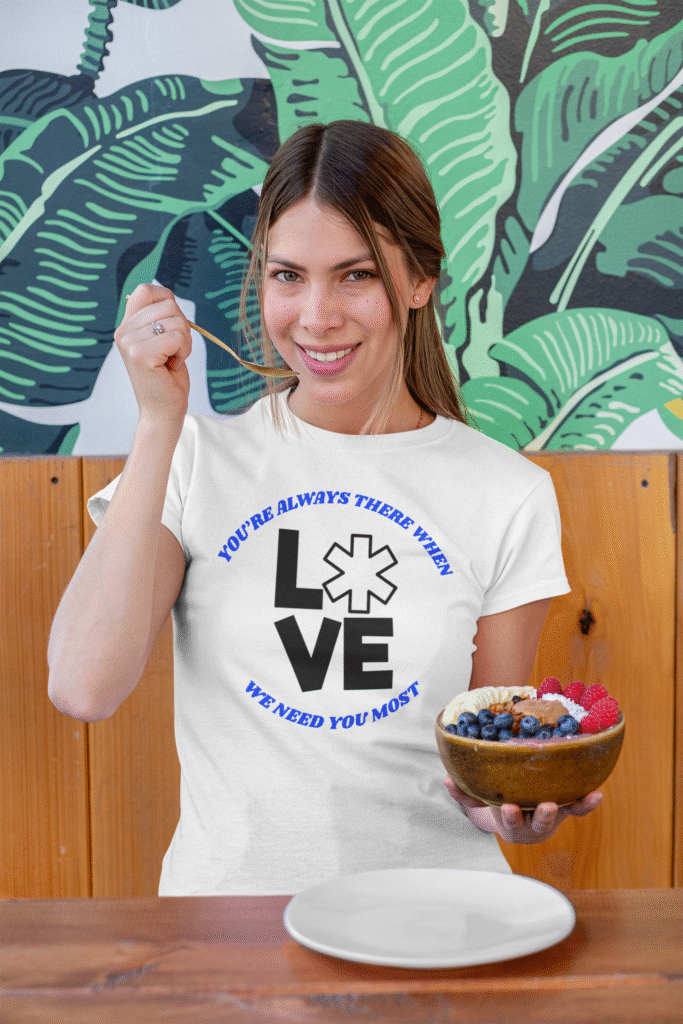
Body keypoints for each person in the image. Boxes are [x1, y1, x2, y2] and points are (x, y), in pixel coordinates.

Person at [48, 120, 601, 896]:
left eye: (355, 275)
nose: (315, 317)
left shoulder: (506, 491)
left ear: (419, 281)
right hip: (228, 938)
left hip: (436, 922)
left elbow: (479, 769)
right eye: (287, 276)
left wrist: (511, 807)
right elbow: (83, 687)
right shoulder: (194, 459)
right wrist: (156, 424)